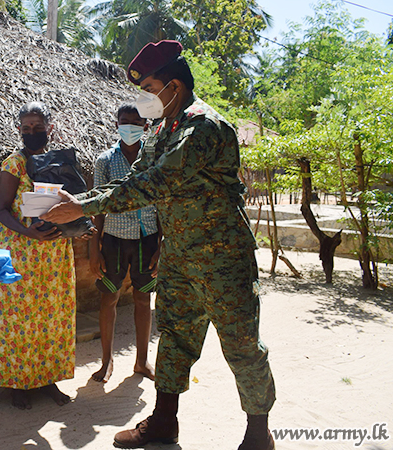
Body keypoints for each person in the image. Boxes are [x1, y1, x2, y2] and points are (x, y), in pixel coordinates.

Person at [41, 41, 276, 450]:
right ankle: (165, 421)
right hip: (181, 256)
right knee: (175, 338)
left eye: (149, 88)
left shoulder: (204, 127)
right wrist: (82, 203)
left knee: (241, 345)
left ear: (174, 85)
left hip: (224, 259)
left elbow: (157, 183)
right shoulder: (163, 130)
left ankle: (259, 434)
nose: (145, 98)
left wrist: (86, 204)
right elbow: (133, 177)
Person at [0, 102, 76, 410]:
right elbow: (1, 210)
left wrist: (78, 226)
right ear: (19, 130)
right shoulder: (15, 164)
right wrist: (31, 233)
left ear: (50, 129)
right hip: (22, 252)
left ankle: (47, 378)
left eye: (38, 128)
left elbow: (71, 201)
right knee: (18, 319)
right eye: (26, 128)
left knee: (51, 317)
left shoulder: (60, 161)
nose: (31, 133)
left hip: (53, 254)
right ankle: (17, 383)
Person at [89, 103, 160, 383]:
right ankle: (106, 363)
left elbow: (164, 204)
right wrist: (94, 249)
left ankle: (141, 362)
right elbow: (96, 207)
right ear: (116, 124)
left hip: (148, 238)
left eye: (135, 121)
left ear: (146, 126)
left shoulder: (155, 160)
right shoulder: (104, 161)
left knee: (144, 299)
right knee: (109, 299)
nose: (129, 125)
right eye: (124, 121)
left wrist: (162, 245)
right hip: (115, 240)